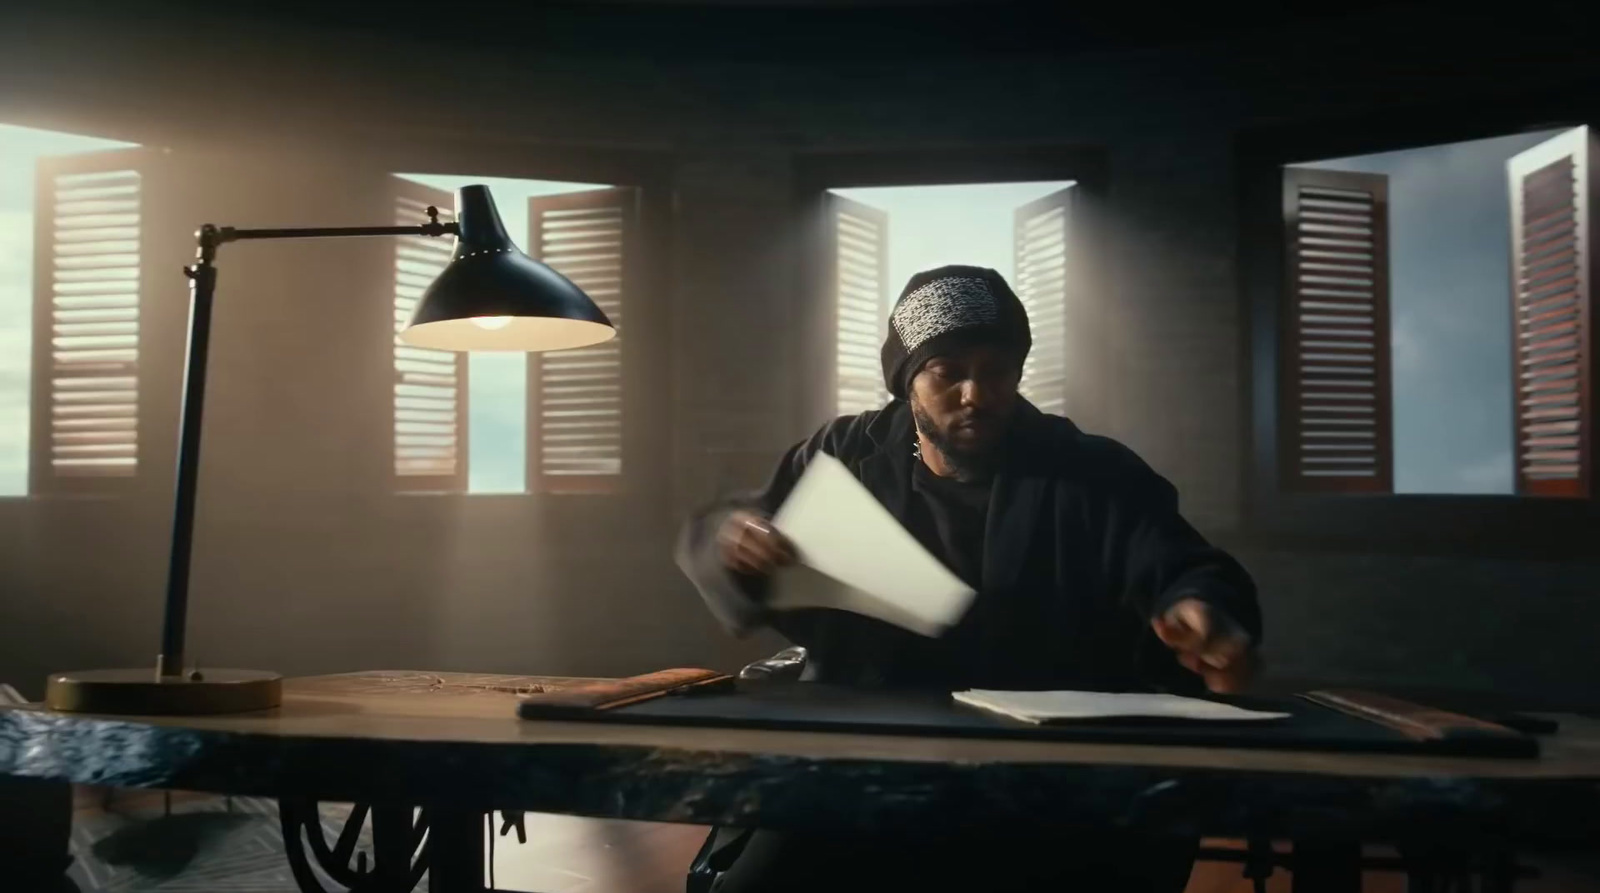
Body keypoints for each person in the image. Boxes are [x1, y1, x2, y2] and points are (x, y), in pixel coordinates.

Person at [675, 264, 1262, 892]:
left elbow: (1180, 563)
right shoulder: (845, 455)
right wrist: (740, 540)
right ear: (907, 380)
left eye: (995, 372)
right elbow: (734, 522)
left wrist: (1199, 605)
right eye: (947, 371)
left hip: (1038, 765)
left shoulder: (1093, 473)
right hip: (861, 748)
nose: (974, 394)